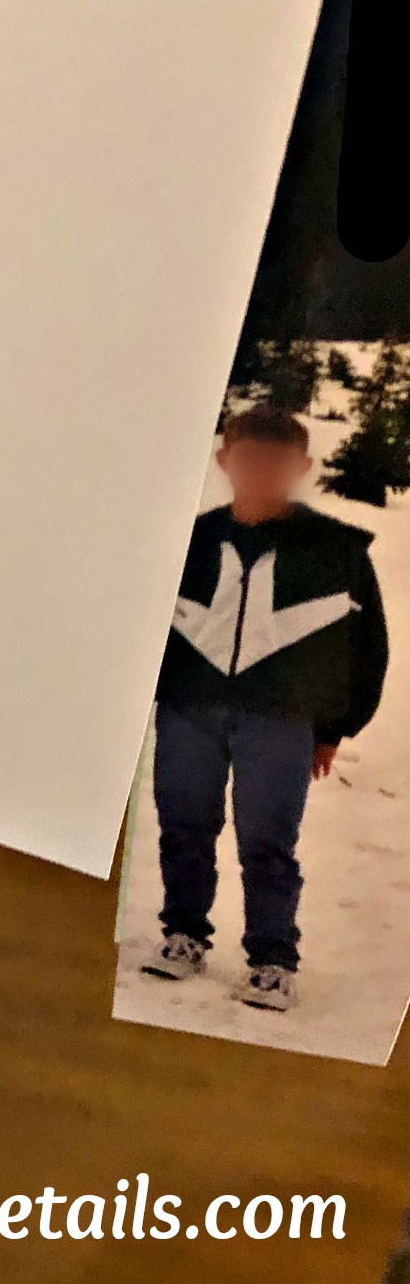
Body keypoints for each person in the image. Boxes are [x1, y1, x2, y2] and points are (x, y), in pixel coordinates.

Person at [143, 404, 388, 1011]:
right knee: (184, 826)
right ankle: (183, 935)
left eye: (276, 464)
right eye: (249, 460)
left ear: (301, 467)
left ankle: (273, 960)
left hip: (280, 721)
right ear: (225, 460)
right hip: (188, 711)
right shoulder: (187, 541)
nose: (261, 473)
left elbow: (367, 649)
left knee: (268, 841)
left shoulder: (336, 551)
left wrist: (334, 729)